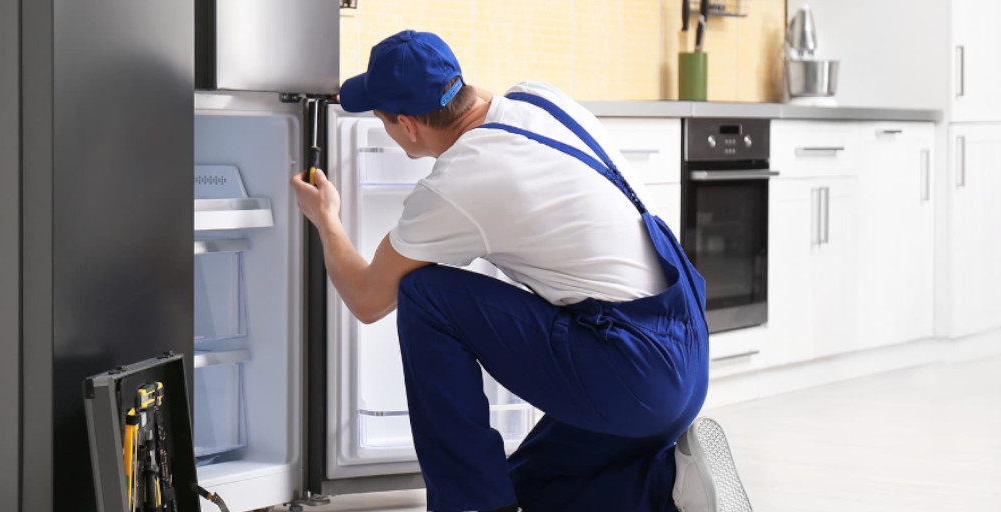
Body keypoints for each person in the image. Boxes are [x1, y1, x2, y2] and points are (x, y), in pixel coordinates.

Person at [291, 30, 750, 512]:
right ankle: (669, 490)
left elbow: (367, 299)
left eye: (383, 119)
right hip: (686, 358)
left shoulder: (460, 181)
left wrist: (326, 218)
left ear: (407, 127)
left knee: (426, 296)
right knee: (526, 488)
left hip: (633, 372)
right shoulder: (539, 99)